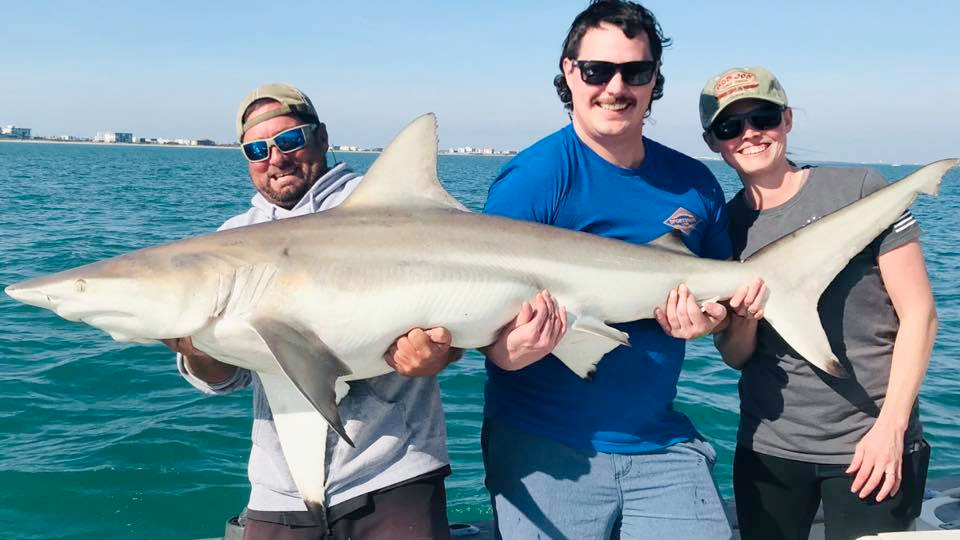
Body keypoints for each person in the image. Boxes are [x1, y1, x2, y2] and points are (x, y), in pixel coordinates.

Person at [480, 2, 745, 537]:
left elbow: (726, 295)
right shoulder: (533, 179)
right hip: (546, 448)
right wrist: (508, 352)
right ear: (569, 72)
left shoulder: (693, 182)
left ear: (654, 81)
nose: (616, 87)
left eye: (636, 72)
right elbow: (489, 326)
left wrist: (711, 319)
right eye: (598, 71)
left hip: (665, 443)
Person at [163, 83, 461, 540]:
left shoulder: (391, 213)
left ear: (321, 138)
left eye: (289, 141)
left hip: (394, 471)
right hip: (279, 489)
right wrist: (196, 348)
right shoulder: (231, 239)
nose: (275, 158)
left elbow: (462, 312)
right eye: (257, 149)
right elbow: (231, 378)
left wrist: (445, 350)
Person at [700, 66, 935, 539]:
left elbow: (920, 314)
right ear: (713, 142)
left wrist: (890, 429)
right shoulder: (723, 227)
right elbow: (736, 356)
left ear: (786, 119)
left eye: (762, 118)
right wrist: (744, 320)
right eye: (730, 127)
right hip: (769, 447)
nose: (750, 135)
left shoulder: (860, 192)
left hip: (870, 444)